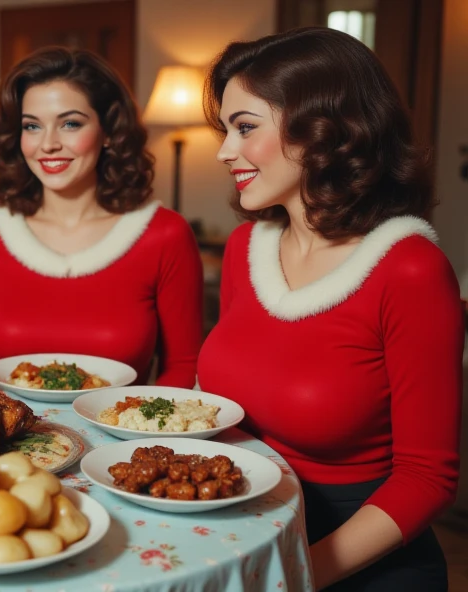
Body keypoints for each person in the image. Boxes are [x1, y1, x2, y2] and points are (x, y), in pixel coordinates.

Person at [197, 27, 463, 591]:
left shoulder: (408, 269)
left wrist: (292, 574)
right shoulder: (247, 250)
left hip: (354, 563)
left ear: (323, 129)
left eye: (245, 128)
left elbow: (427, 478)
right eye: (225, 129)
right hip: (245, 537)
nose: (224, 151)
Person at [0, 47, 203, 387]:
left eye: (70, 123)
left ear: (110, 131)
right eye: (32, 126)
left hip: (119, 437)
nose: (48, 144)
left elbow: (184, 366)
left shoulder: (164, 234)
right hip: (9, 437)